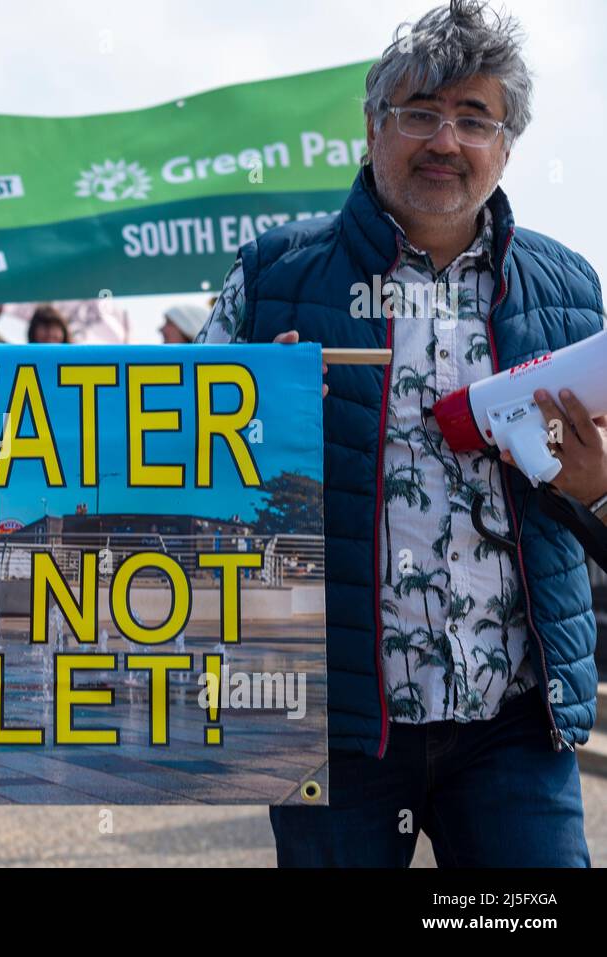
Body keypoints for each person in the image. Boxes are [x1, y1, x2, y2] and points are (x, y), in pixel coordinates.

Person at [196, 0, 600, 866]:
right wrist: (251, 426)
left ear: (506, 143)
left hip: (515, 723)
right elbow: (175, 463)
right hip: (335, 724)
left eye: (473, 118)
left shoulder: (570, 292)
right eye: (419, 113)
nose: (444, 140)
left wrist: (596, 486)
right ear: (374, 127)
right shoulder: (274, 276)